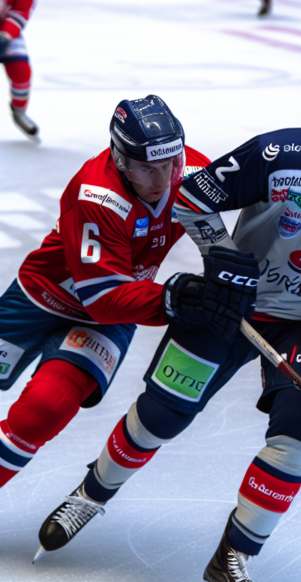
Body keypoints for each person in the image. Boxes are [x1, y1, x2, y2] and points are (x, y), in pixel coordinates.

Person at [37, 79, 301, 582]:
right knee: (160, 412)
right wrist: (225, 260)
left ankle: (235, 554)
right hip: (231, 305)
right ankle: (90, 494)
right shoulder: (277, 153)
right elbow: (193, 197)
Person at [0, 95, 210, 491]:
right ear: (121, 160)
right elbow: (103, 299)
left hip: (111, 314)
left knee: (45, 409)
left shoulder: (193, 170)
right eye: (148, 169)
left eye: (170, 164)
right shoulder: (96, 192)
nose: (163, 180)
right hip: (47, 297)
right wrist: (174, 298)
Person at [0, 0, 40, 140]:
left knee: (22, 72)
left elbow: (23, 9)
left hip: (8, 31)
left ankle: (19, 112)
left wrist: (6, 35)